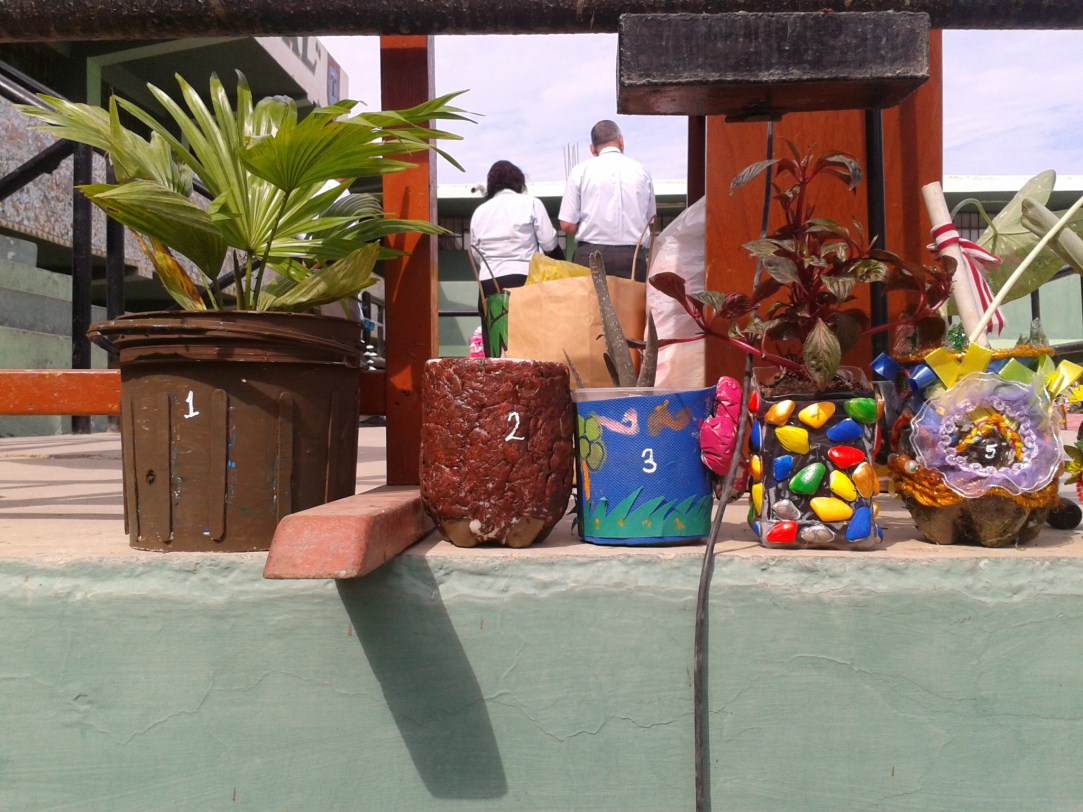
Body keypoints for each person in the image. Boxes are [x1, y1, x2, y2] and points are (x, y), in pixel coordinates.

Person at [558, 119, 656, 282]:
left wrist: (589, 226)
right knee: (631, 300)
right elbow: (651, 218)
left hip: (590, 257)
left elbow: (567, 224)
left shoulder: (580, 171)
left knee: (590, 300)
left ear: (592, 149)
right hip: (631, 258)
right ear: (621, 141)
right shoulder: (642, 171)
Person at [469, 159, 563, 306]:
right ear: (519, 181)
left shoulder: (479, 212)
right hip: (523, 279)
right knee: (525, 321)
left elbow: (476, 253)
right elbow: (549, 243)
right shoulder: (532, 203)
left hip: (488, 283)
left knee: (493, 321)